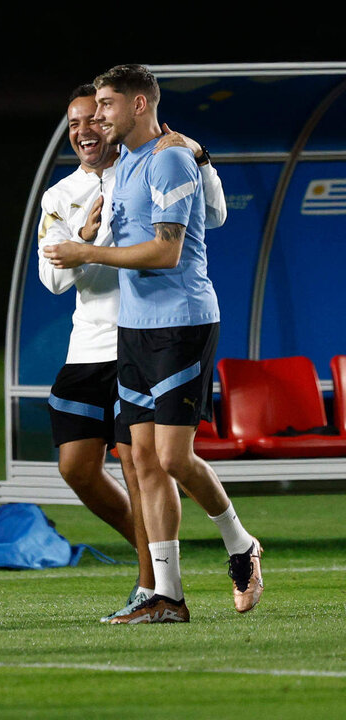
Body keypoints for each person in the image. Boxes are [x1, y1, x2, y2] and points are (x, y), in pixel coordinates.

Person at [44, 65, 264, 623]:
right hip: (132, 331)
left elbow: (169, 251)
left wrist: (88, 253)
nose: (96, 119)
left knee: (168, 457)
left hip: (181, 323)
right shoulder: (128, 165)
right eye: (90, 111)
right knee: (142, 465)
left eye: (106, 107)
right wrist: (87, 237)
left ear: (139, 105)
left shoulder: (169, 157)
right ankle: (166, 595)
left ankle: (239, 542)